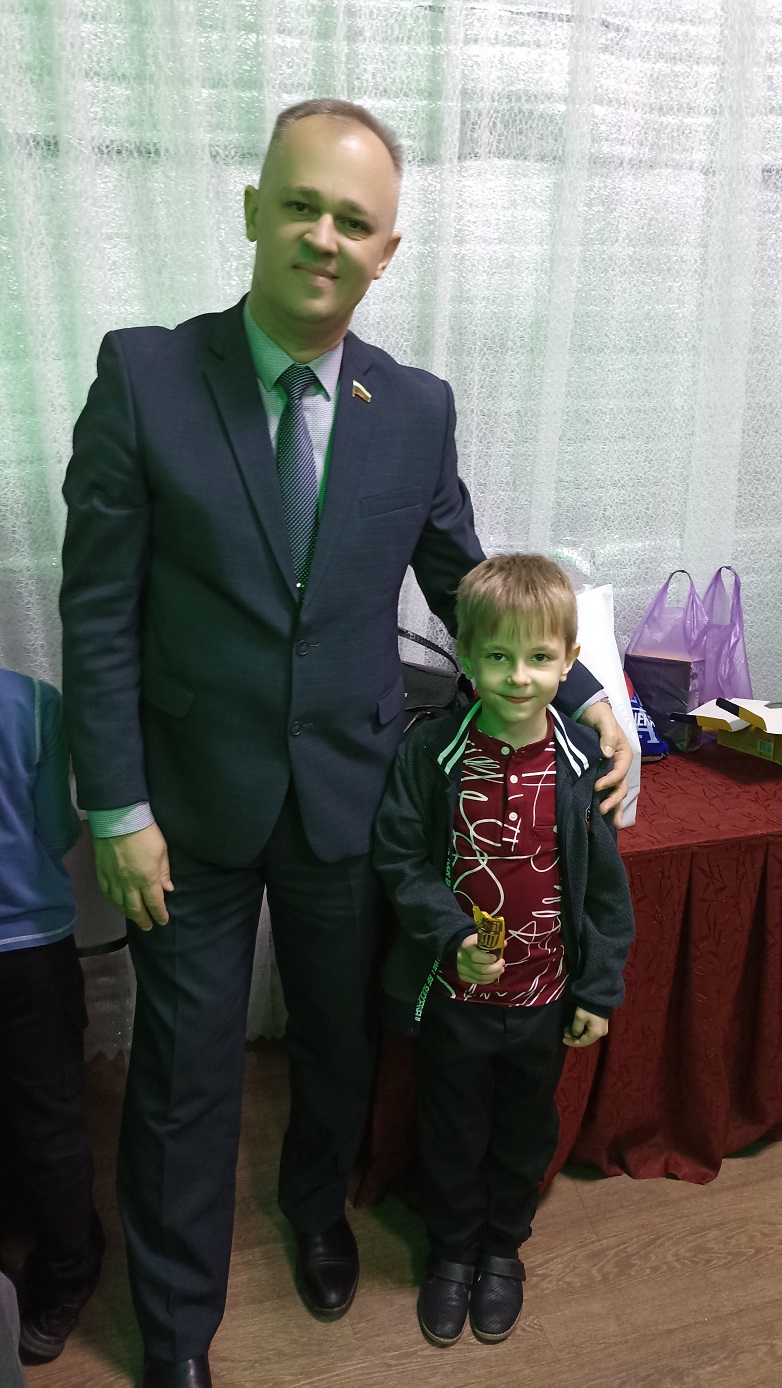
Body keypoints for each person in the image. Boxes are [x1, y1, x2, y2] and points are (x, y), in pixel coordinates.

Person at [59, 100, 631, 1386]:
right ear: (254, 210)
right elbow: (96, 608)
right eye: (301, 205)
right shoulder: (146, 376)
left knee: (334, 1037)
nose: (324, 235)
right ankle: (177, 1330)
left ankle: (315, 1207)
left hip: (349, 797)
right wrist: (115, 808)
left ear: (386, 251)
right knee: (184, 1071)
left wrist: (585, 686)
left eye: (353, 220)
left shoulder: (412, 406)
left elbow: (460, 577)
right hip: (185, 807)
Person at [374, 554, 635, 1348]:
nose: (519, 677)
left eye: (539, 657)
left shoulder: (582, 765)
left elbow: (605, 893)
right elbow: (400, 858)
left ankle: (501, 1250)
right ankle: (453, 1251)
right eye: (497, 656)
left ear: (568, 660)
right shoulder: (433, 754)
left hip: (544, 1002)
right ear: (466, 655)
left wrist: (599, 989)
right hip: (457, 998)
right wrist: (451, 936)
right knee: (452, 1128)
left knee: (524, 1131)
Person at [0, 668, 104, 1365]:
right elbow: (61, 830)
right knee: (52, 1119)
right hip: (31, 950)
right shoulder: (32, 704)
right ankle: (69, 1275)